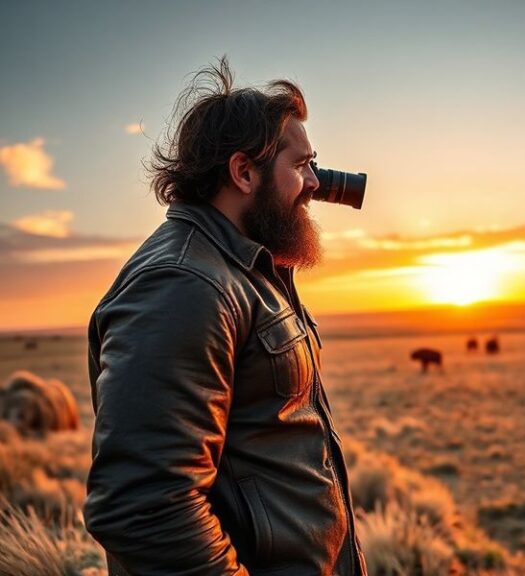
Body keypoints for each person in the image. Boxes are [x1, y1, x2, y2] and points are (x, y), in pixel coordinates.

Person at [84, 57, 367, 576]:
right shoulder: (183, 285)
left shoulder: (246, 268)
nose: (315, 184)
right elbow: (145, 507)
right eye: (302, 165)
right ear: (243, 172)